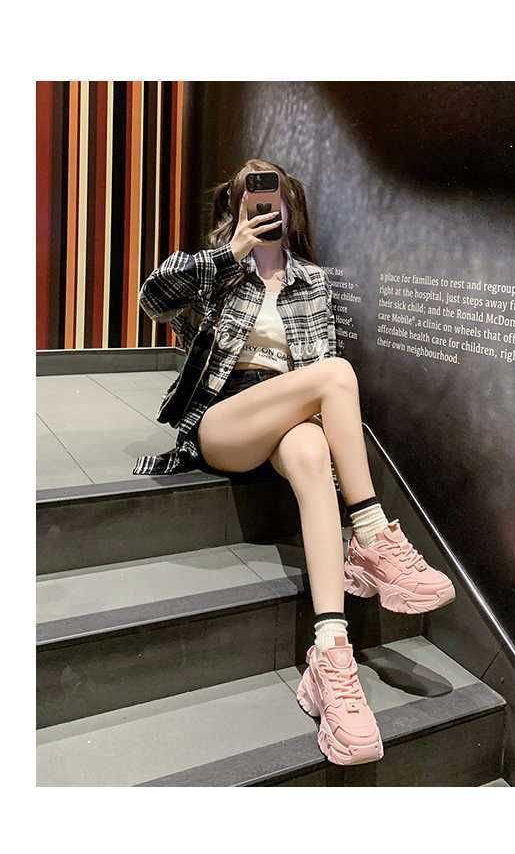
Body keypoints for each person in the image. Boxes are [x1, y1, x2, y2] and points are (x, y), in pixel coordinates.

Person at [135, 159, 456, 766]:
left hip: (291, 416)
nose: (264, 204)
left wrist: (322, 442)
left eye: (273, 194)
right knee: (336, 374)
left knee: (311, 449)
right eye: (250, 195)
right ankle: (371, 535)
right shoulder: (216, 268)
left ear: (289, 204)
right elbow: (153, 300)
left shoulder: (311, 281)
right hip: (226, 419)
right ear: (237, 205)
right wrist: (231, 253)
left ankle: (330, 653)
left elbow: (319, 382)